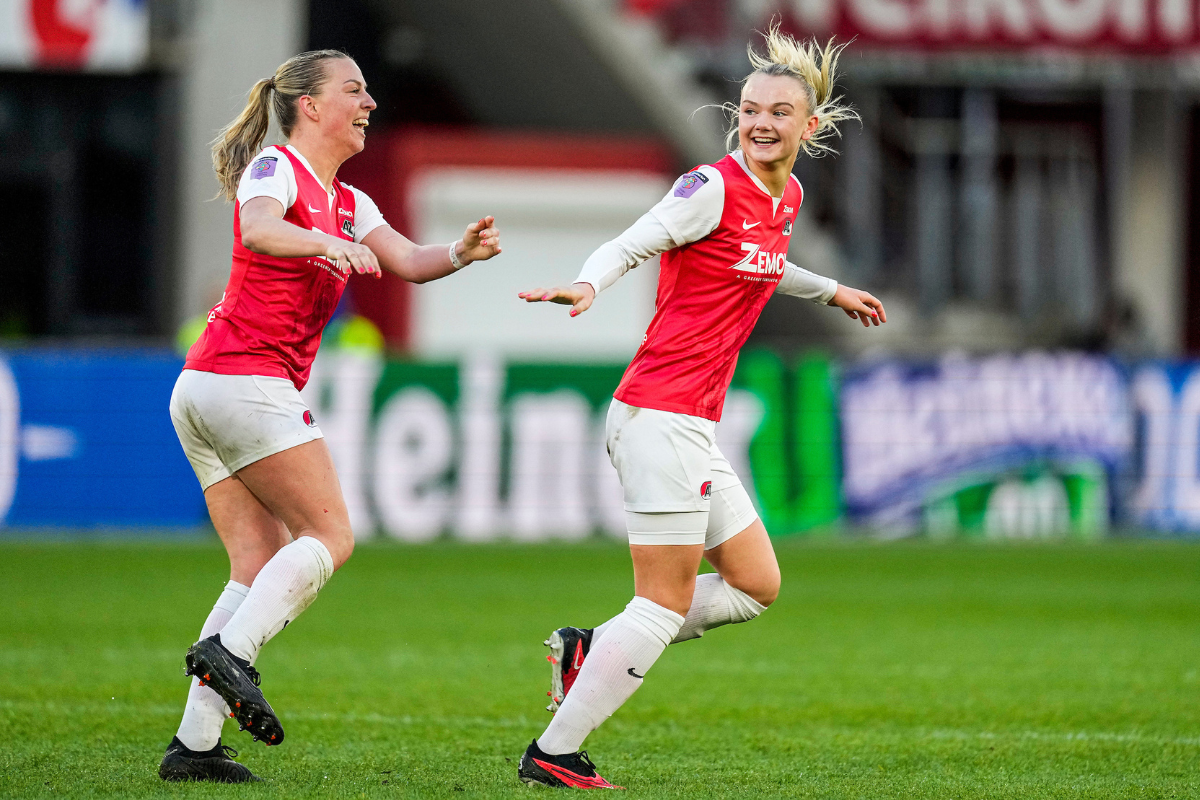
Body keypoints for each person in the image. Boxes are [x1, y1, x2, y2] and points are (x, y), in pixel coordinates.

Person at [513, 26, 884, 790]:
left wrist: (831, 289)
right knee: (661, 602)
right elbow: (633, 240)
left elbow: (763, 263)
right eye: (750, 109)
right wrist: (589, 282)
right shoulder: (709, 187)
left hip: (689, 424)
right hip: (659, 416)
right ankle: (554, 752)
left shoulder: (786, 197)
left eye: (779, 112)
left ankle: (591, 649)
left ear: (808, 127)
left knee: (753, 584)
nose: (759, 122)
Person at [158, 49, 502, 783]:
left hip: (212, 386)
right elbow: (257, 230)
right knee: (331, 535)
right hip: (244, 380)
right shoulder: (278, 168)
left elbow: (408, 260)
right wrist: (325, 243)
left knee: (257, 561)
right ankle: (232, 655)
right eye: (354, 89)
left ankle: (192, 747)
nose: (369, 101)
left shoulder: (350, 201)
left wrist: (461, 253)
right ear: (311, 106)